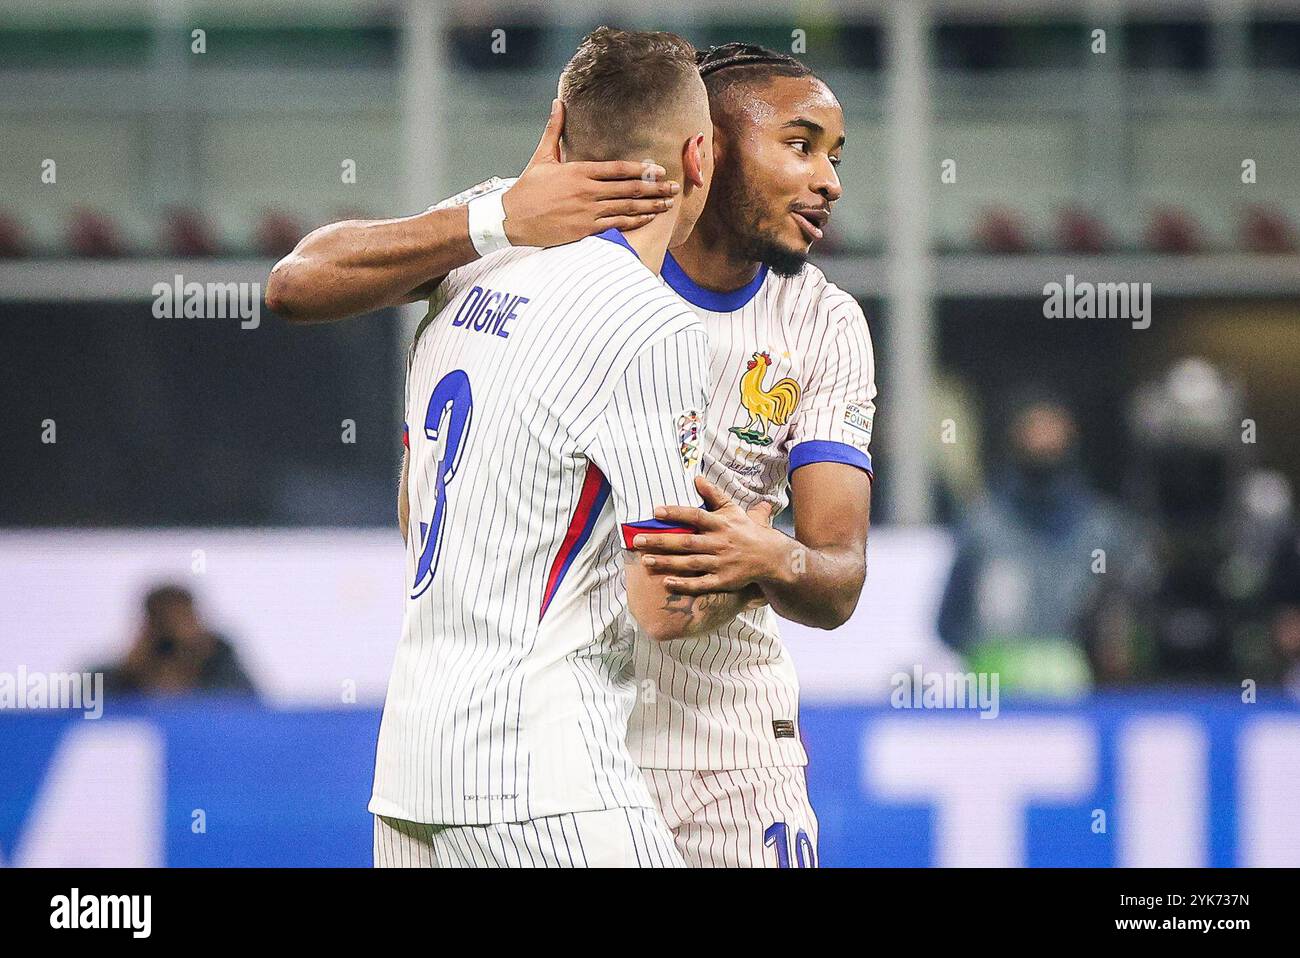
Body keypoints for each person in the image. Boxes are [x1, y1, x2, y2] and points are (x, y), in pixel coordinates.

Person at [270, 40, 877, 868]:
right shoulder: (529, 230)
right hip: (566, 742)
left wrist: (769, 556)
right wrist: (493, 219)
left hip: (721, 745)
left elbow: (838, 571)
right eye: (801, 146)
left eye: (834, 157)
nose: (829, 181)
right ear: (707, 149)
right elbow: (295, 284)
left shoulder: (823, 323)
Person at [937, 394, 1132, 693]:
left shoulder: (1103, 531)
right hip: (991, 702)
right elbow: (949, 623)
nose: (1043, 442)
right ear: (1012, 439)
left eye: (1052, 432)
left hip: (1079, 704)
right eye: (1033, 431)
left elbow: (1125, 630)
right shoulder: (983, 526)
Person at [93, 584, 257, 698]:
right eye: (163, 623)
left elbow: (250, 713)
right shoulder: (111, 680)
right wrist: (131, 676)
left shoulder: (226, 675)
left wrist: (202, 662)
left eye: (182, 620)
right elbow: (79, 712)